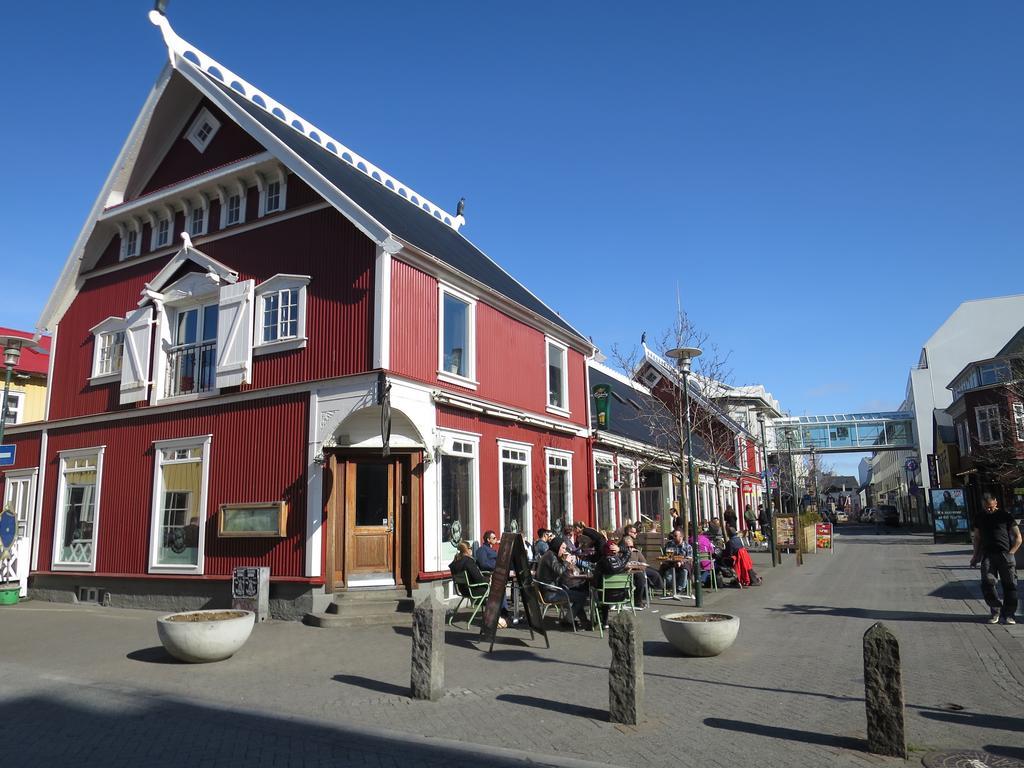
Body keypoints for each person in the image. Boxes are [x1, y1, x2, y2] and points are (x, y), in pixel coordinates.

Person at [969, 493, 1020, 625]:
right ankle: (996, 610)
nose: (989, 510)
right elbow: (977, 538)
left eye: (991, 507)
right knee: (987, 582)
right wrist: (975, 556)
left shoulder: (1005, 516)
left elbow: (1018, 537)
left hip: (1005, 554)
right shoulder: (979, 517)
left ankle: (1009, 614)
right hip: (988, 555)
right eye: (986, 508)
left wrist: (1012, 552)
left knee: (1010, 585)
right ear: (983, 506)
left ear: (996, 502)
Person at [449, 541, 507, 628]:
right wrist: (489, 580)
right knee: (499, 590)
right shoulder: (468, 561)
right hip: (474, 590)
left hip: (463, 590)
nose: (472, 550)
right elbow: (478, 579)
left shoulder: (455, 563)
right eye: (470, 549)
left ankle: (491, 616)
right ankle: (497, 617)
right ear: (467, 550)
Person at [535, 536, 589, 628]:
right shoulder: (550, 556)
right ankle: (569, 620)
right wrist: (566, 562)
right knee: (581, 597)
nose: (564, 550)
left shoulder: (551, 555)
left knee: (578, 595)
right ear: (557, 546)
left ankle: (582, 621)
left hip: (549, 589)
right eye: (563, 548)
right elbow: (560, 571)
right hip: (550, 593)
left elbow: (562, 573)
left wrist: (570, 564)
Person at [593, 539, 631, 627]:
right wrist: (620, 548)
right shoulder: (621, 562)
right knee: (604, 590)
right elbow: (628, 552)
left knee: (596, 590)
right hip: (621, 596)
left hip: (604, 596)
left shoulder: (601, 563)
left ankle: (601, 621)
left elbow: (595, 581)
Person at [621, 534, 663, 606]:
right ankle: (638, 600)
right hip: (627, 573)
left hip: (638, 570)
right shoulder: (620, 553)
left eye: (631, 547)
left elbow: (644, 563)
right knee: (641, 577)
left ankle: (640, 598)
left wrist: (637, 566)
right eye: (627, 547)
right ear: (623, 547)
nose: (630, 549)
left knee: (649, 575)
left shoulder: (636, 552)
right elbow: (619, 565)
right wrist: (627, 566)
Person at [661, 527, 693, 595]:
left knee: (685, 570)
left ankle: (679, 589)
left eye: (676, 536)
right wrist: (668, 559)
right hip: (671, 564)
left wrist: (681, 562)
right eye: (673, 536)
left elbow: (689, 558)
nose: (674, 537)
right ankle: (671, 589)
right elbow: (666, 555)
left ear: (681, 537)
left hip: (683, 564)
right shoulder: (669, 544)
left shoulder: (687, 546)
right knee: (668, 577)